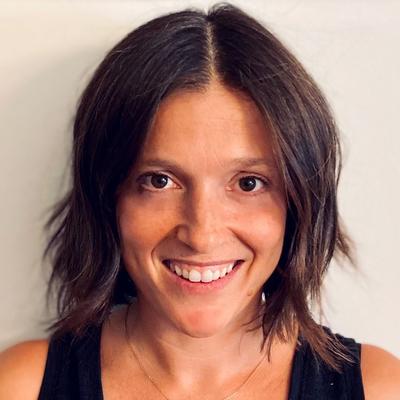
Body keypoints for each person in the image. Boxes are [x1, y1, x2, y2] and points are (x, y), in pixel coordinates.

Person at [0, 3, 399, 399]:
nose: (202, 235)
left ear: (299, 201)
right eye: (159, 181)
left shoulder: (380, 388)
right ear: (108, 197)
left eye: (248, 183)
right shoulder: (21, 387)